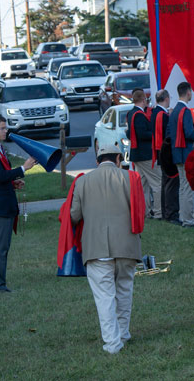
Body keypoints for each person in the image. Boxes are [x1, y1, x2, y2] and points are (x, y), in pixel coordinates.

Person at [70, 149, 145, 354]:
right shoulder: (130, 177)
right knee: (124, 290)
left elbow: (74, 215)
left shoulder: (83, 181)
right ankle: (123, 334)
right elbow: (140, 210)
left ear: (97, 161)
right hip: (127, 244)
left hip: (96, 246)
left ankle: (112, 343)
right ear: (119, 159)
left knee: (104, 296)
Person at [0, 115, 37, 292]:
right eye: (2, 128)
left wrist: (13, 183)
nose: (6, 131)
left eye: (5, 128)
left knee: (3, 247)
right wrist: (23, 168)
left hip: (4, 204)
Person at [167, 82, 194, 228]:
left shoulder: (174, 111)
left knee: (182, 188)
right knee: (187, 188)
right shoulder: (184, 111)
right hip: (185, 153)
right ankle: (188, 220)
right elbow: (189, 133)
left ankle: (184, 216)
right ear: (188, 92)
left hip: (177, 153)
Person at [126, 89, 159, 218]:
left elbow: (130, 132)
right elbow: (141, 134)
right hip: (145, 154)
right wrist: (155, 134)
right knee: (157, 182)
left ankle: (145, 211)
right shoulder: (139, 115)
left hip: (137, 154)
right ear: (143, 100)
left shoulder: (131, 113)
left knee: (143, 185)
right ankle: (158, 211)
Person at [151, 90, 178, 223]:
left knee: (164, 184)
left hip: (159, 154)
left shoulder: (155, 113)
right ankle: (170, 213)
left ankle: (164, 211)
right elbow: (166, 137)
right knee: (169, 185)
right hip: (165, 154)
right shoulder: (163, 115)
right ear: (166, 98)